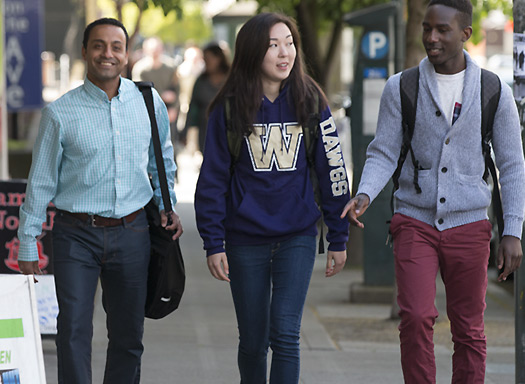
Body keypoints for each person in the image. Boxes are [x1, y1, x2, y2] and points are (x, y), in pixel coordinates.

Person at [342, 1, 525, 383]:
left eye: (442, 30)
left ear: (465, 34)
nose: (431, 38)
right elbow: (384, 151)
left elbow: (512, 165)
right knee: (415, 317)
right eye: (426, 29)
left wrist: (513, 231)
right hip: (414, 220)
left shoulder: (494, 91)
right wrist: (365, 193)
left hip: (470, 224)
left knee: (469, 328)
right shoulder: (402, 86)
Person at [17, 18, 182, 384]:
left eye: (116, 46)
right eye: (98, 45)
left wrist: (167, 205)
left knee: (128, 336)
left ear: (126, 53)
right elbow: (41, 181)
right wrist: (27, 241)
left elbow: (161, 160)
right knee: (73, 332)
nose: (107, 53)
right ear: (85, 52)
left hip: (134, 230)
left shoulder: (148, 101)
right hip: (76, 235)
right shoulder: (60, 113)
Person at [194, 13, 350, 384]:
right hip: (244, 239)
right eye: (273, 45)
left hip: (296, 236)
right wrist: (212, 241)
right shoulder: (228, 107)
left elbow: (332, 169)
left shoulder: (310, 100)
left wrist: (338, 235)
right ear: (252, 52)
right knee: (252, 341)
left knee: (285, 334)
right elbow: (213, 178)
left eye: (290, 43)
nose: (285, 53)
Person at [184, 41, 230, 153]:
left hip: (228, 129)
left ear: (219, 58)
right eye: (205, 59)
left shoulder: (232, 79)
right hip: (206, 130)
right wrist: (185, 131)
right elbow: (193, 106)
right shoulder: (201, 81)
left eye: (209, 59)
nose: (207, 63)